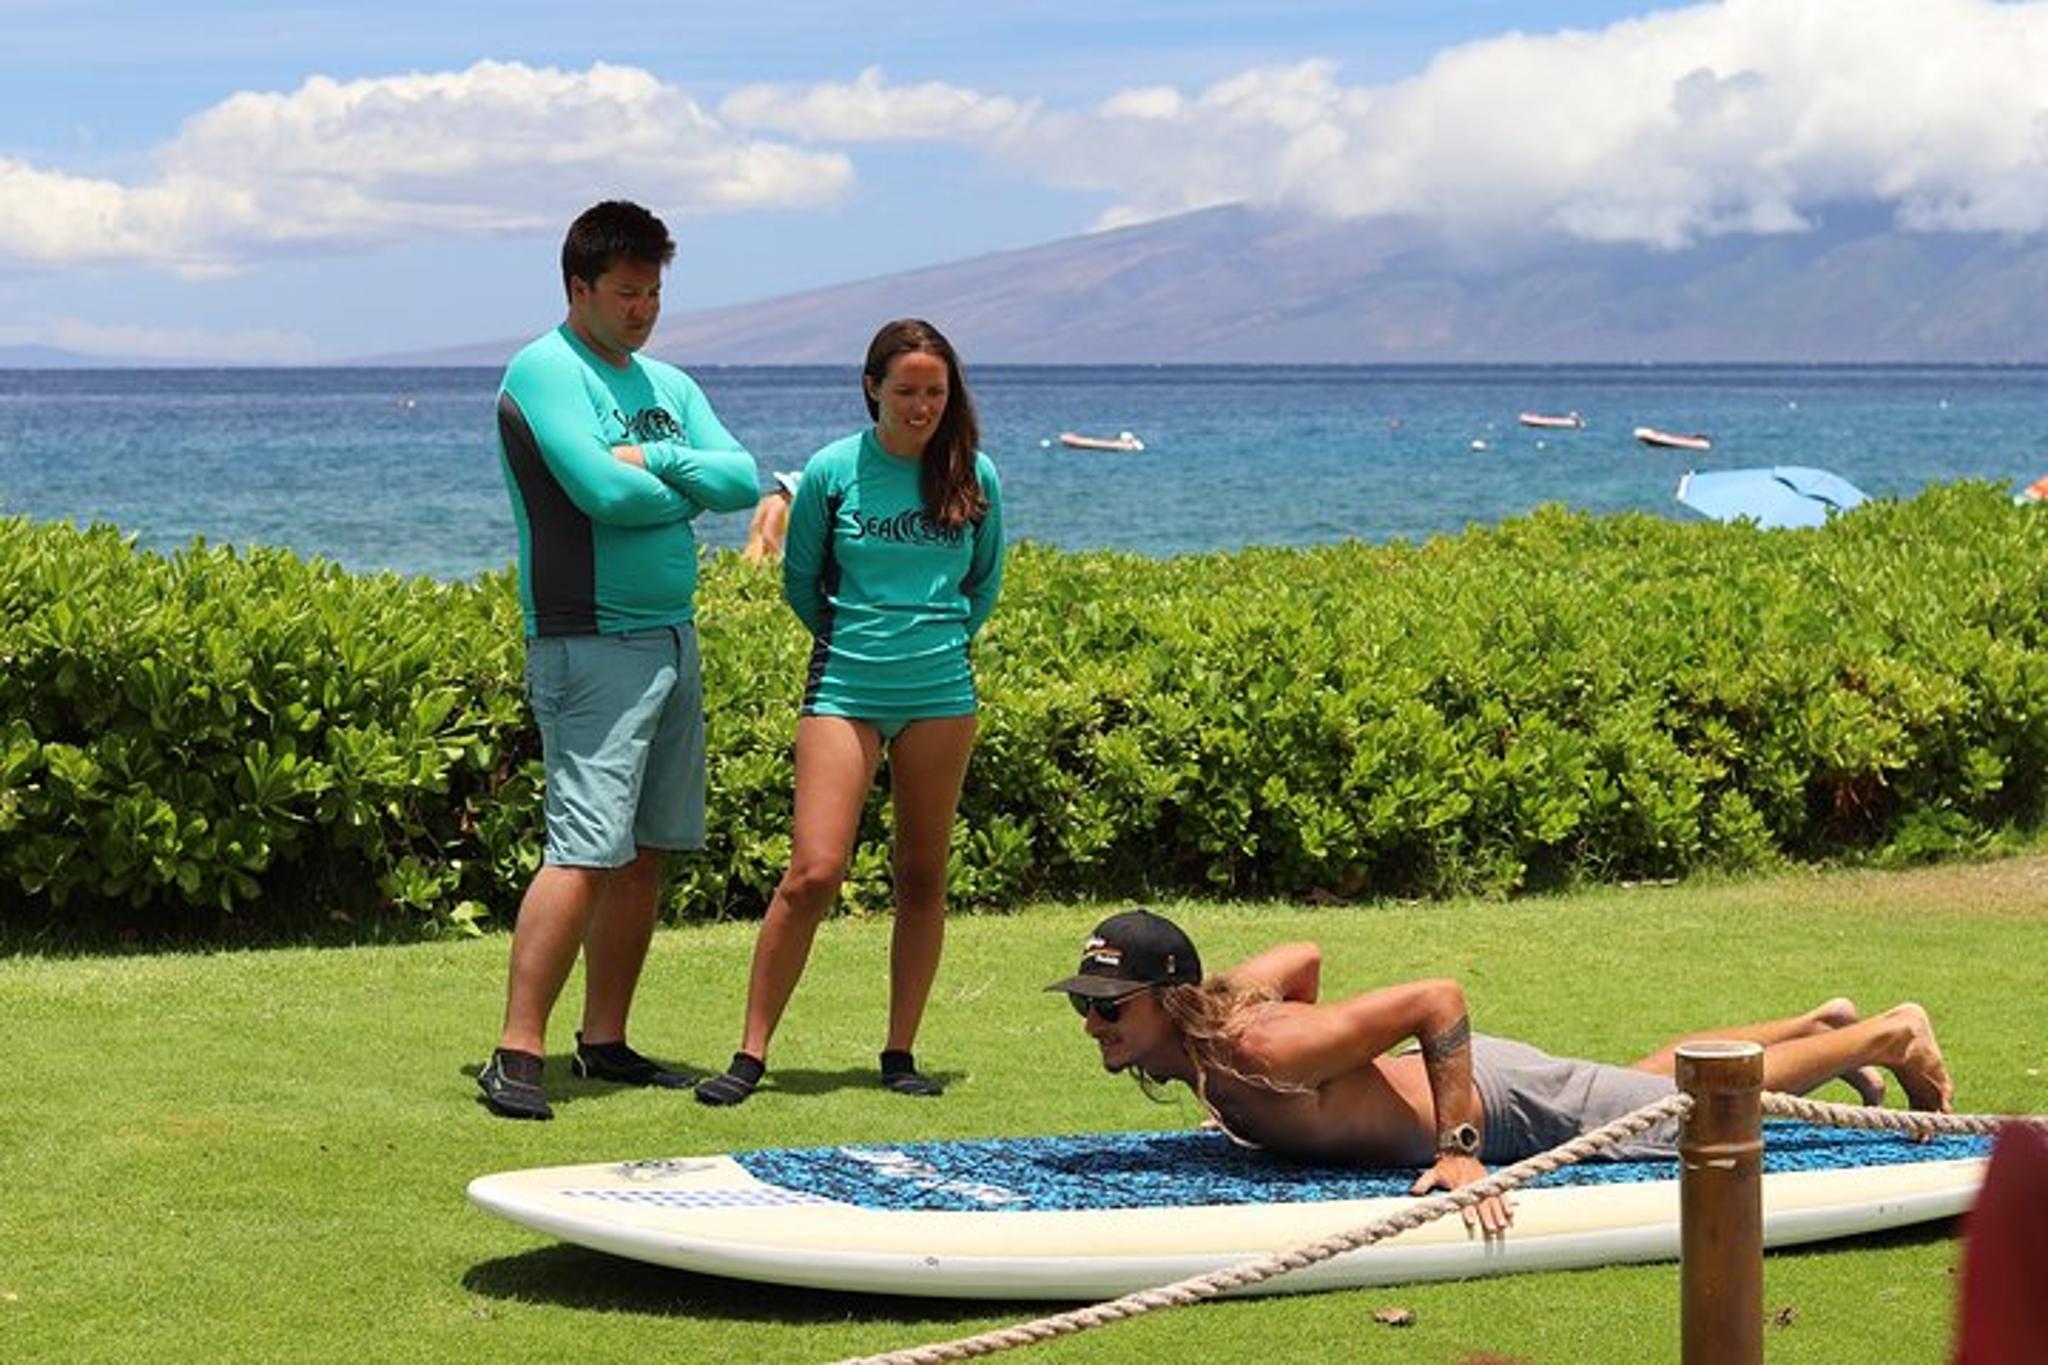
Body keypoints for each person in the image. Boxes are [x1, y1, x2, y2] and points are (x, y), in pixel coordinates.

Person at [1050, 909, 1956, 1238]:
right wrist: (1340, 1077)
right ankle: (1818, 1023)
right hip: (1473, 1081)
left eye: (1109, 1005)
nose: (1093, 1022)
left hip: (1504, 1105)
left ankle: (1881, 1035)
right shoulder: (1222, 1030)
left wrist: (1460, 1148)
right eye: (1085, 1004)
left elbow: (1438, 996)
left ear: (1169, 1000)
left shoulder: (1257, 1051)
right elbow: (1302, 951)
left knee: (1689, 1109)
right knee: (1637, 1080)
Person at [476, 199, 762, 1120]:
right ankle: (516, 1051)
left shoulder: (665, 384)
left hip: (671, 634)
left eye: (653, 292)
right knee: (585, 847)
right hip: (587, 638)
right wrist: (676, 479)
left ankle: (605, 1040)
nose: (642, 308)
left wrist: (654, 460)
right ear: (579, 287)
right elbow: (599, 491)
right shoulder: (543, 371)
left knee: (643, 852)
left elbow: (743, 479)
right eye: (626, 292)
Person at [694, 319, 1005, 1106]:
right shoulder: (834, 472)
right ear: (872, 387)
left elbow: (984, 584)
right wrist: (862, 641)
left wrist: (935, 641)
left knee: (922, 876)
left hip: (941, 693)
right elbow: (802, 583)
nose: (921, 406)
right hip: (845, 690)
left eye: (935, 392)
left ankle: (900, 1052)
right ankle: (750, 1053)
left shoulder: (976, 475)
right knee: (814, 870)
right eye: (905, 391)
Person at [742, 471, 801, 561]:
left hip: (752, 554)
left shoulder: (770, 498)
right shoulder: (780, 503)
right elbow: (768, 535)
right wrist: (781, 557)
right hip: (761, 559)